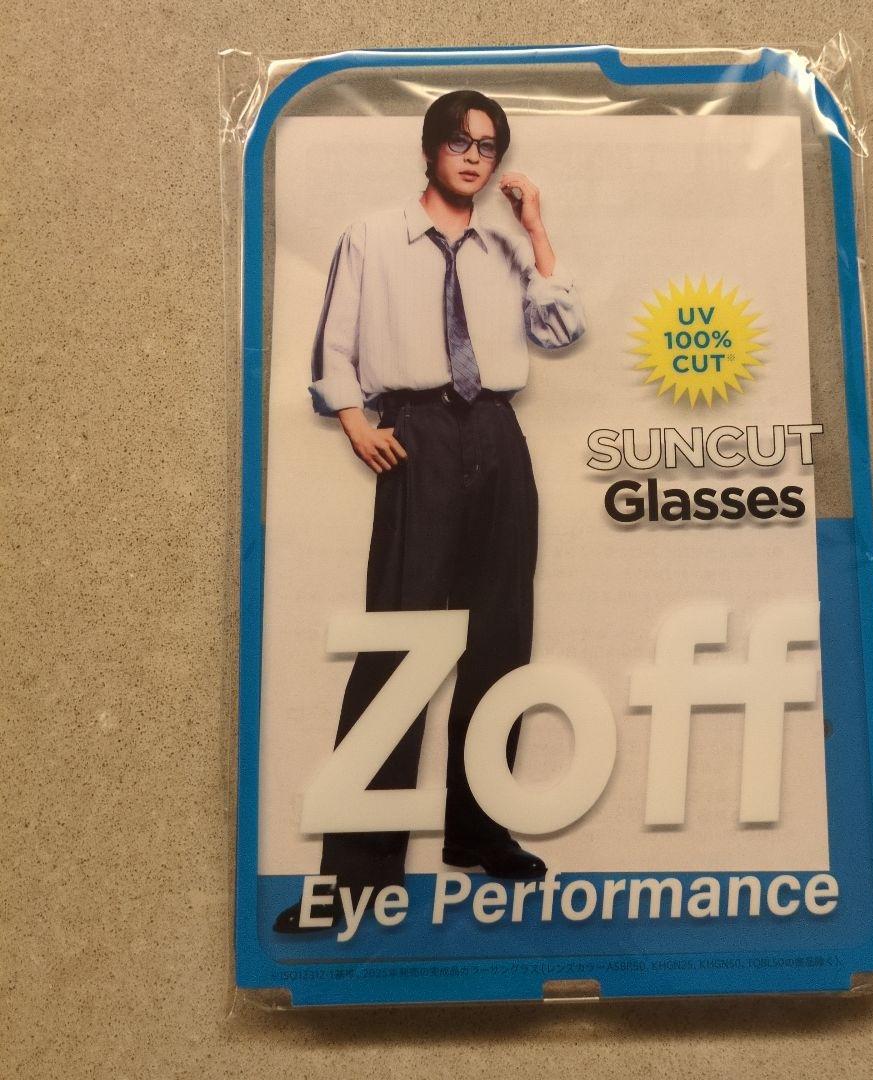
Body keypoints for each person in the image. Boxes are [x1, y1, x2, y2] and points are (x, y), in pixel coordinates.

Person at [274, 89, 586, 933]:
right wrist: (354, 421)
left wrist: (536, 229)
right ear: (428, 150)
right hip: (418, 437)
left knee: (500, 644)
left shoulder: (505, 245)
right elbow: (334, 344)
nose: (474, 156)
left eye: (488, 145)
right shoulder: (373, 235)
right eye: (459, 141)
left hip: (498, 436)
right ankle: (355, 877)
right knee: (400, 647)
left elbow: (560, 331)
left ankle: (479, 832)